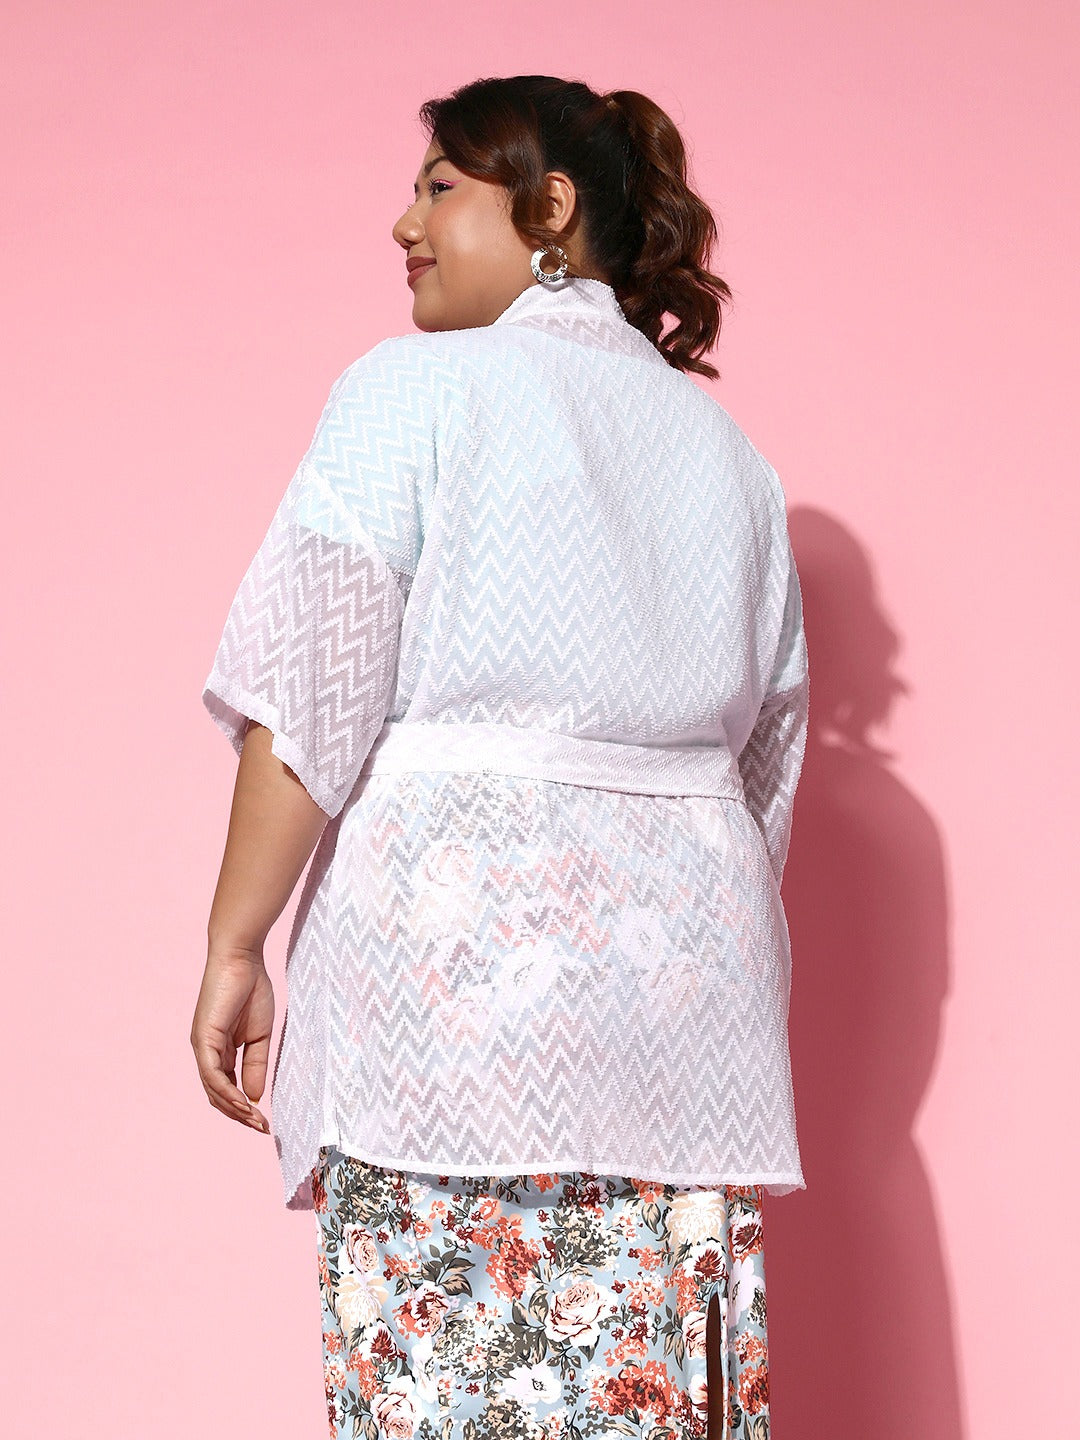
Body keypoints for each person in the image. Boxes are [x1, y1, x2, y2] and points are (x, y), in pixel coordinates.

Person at [191, 74, 808, 1440]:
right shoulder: (733, 461)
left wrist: (237, 944)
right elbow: (763, 775)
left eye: (438, 187)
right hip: (684, 1038)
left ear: (550, 208)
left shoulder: (411, 393)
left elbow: (311, 697)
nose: (402, 222)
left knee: (447, 1398)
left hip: (449, 1023)